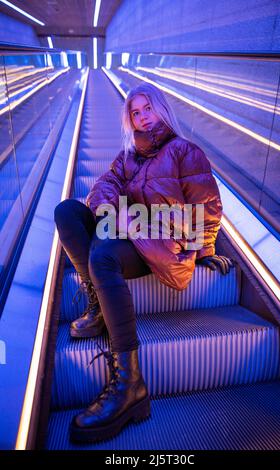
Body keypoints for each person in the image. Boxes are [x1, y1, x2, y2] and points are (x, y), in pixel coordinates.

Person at [54, 82, 233, 443]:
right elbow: (103, 186)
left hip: (164, 243)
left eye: (146, 108)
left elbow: (207, 208)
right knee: (67, 211)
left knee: (103, 252)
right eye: (134, 112)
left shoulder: (185, 152)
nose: (141, 117)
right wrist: (114, 212)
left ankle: (130, 382)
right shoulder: (128, 156)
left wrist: (205, 252)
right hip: (130, 236)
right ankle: (100, 303)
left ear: (161, 109)